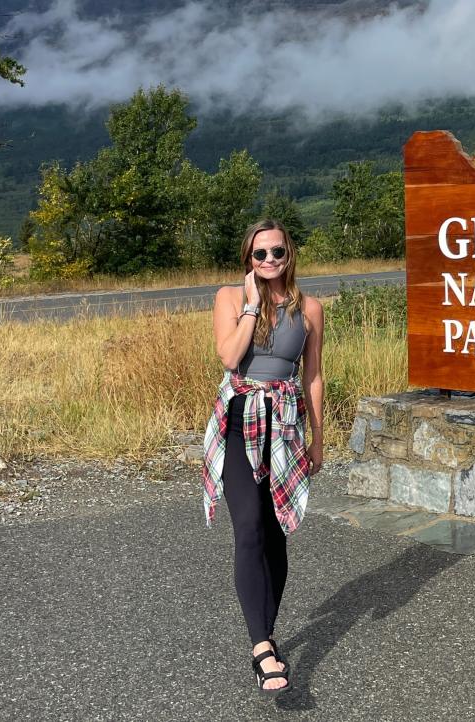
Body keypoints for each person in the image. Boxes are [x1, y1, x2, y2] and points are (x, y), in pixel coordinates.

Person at [201, 218, 324, 696]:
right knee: (248, 524)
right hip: (240, 418)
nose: (269, 261)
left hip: (286, 424)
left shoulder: (310, 308)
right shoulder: (230, 298)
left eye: (277, 252)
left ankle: (266, 632)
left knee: (275, 531)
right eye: (260, 254)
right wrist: (252, 304)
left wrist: (318, 438)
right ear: (247, 258)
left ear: (289, 254)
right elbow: (230, 358)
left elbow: (312, 376)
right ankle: (262, 648)